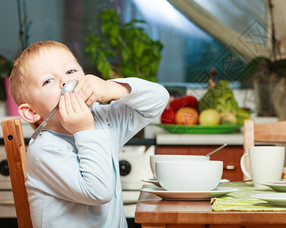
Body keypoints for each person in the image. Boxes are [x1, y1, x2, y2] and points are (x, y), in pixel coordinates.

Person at [9, 41, 169, 228]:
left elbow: (159, 99)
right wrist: (84, 130)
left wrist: (113, 89)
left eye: (70, 72)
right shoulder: (44, 150)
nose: (65, 81)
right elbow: (99, 192)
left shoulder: (103, 119)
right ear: (31, 113)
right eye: (48, 81)